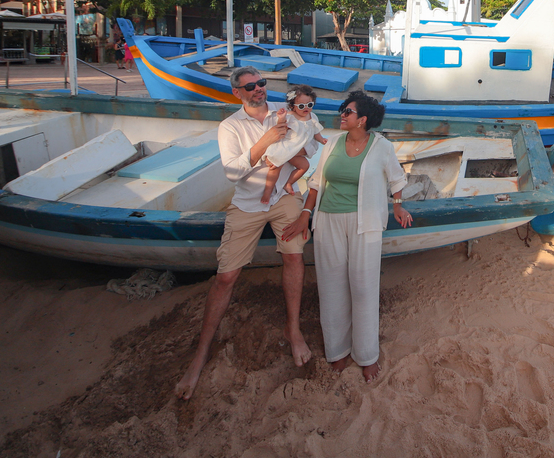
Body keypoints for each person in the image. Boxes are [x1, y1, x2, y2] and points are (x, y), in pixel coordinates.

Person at [174, 67, 314, 401]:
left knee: (295, 257)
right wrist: (266, 142)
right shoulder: (230, 126)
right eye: (250, 86)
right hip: (247, 204)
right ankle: (201, 353)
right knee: (226, 276)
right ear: (237, 92)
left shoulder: (285, 114)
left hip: (284, 199)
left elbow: (306, 153)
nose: (258, 90)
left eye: (262, 83)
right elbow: (233, 171)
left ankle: (293, 330)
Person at [301, 90, 412, 383]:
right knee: (331, 286)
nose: (342, 115)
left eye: (347, 111)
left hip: (366, 224)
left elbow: (396, 178)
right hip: (328, 221)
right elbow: (317, 180)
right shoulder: (333, 142)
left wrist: (398, 206)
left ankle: (367, 355)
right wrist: (306, 213)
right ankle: (337, 351)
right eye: (342, 110)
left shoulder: (381, 146)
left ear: (362, 120)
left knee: (363, 288)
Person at [259, 85, 327, 204]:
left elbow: (316, 132)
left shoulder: (312, 117)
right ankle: (267, 191)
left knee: (304, 166)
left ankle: (288, 183)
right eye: (301, 106)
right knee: (275, 167)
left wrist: (322, 140)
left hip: (297, 151)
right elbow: (281, 128)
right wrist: (281, 118)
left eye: (309, 105)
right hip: (286, 147)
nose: (306, 108)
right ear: (292, 106)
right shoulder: (290, 116)